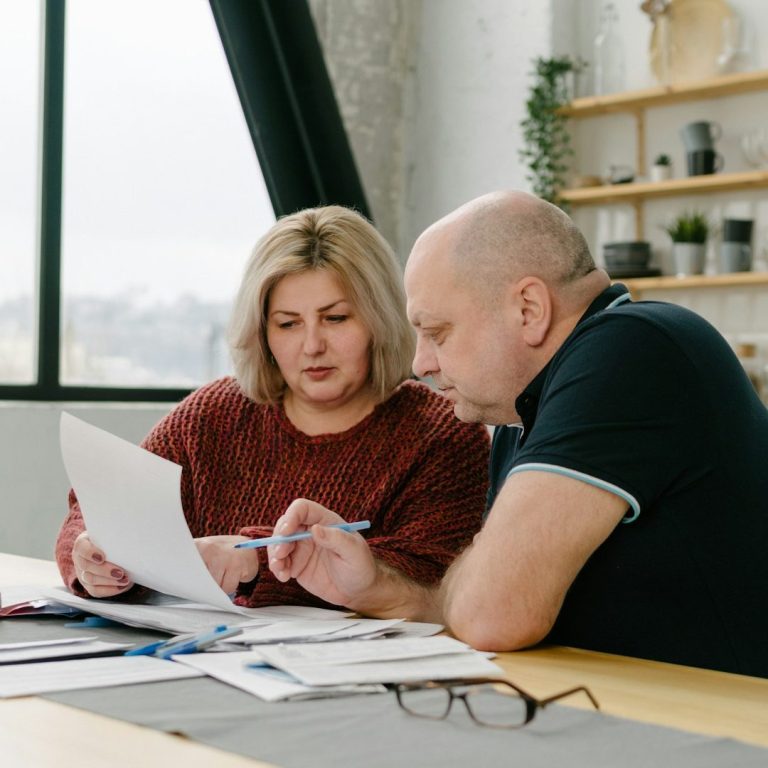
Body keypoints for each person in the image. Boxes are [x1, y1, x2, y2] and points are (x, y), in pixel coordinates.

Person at [268, 190, 768, 678]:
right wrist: (379, 587)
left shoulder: (633, 347)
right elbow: (480, 605)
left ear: (529, 308)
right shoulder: (519, 414)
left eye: (438, 332)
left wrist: (476, 587)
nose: (421, 363)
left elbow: (494, 615)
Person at [55, 205, 490, 608]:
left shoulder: (443, 433)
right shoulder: (211, 416)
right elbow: (100, 510)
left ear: (379, 319)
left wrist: (254, 563)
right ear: (262, 333)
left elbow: (432, 578)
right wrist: (90, 552)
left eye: (336, 319)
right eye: (287, 324)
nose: (313, 346)